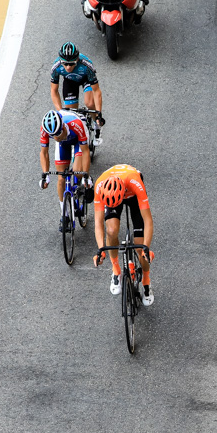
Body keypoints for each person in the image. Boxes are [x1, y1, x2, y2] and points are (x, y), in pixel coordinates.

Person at [93, 165, 154, 304]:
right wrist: (101, 250)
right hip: (112, 194)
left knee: (139, 248)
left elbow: (148, 220)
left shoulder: (135, 182)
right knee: (111, 230)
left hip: (132, 194)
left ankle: (146, 280)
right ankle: (116, 270)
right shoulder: (100, 186)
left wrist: (146, 247)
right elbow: (98, 223)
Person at [39, 110, 92, 214]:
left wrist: (86, 174)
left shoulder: (75, 124)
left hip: (78, 139)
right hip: (63, 144)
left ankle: (87, 182)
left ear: (63, 126)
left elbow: (85, 151)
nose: (56, 138)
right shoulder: (45, 130)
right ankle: (65, 213)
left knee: (78, 171)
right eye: (52, 135)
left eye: (58, 134)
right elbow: (44, 153)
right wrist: (45, 175)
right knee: (61, 179)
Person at [50, 42, 105, 120]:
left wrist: (99, 113)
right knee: (71, 114)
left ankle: (95, 122)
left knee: (89, 103)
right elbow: (54, 90)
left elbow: (96, 91)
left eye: (72, 64)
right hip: (70, 81)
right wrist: (60, 112)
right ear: (60, 61)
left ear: (77, 59)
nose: (68, 67)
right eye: (65, 64)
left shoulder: (86, 65)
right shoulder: (56, 67)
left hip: (86, 79)